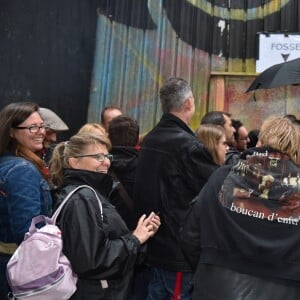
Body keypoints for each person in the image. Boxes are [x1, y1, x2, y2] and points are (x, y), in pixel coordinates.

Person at [180, 116, 300, 299]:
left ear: (261, 141)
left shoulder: (223, 177)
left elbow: (190, 235)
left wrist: (210, 266)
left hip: (217, 286)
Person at [133, 77, 218, 299]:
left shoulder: (151, 139)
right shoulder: (188, 145)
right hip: (178, 251)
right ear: (189, 103)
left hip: (154, 246)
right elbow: (214, 190)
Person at [49, 132, 160, 300]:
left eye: (107, 156)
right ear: (74, 162)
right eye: (97, 157)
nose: (106, 162)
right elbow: (91, 260)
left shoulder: (91, 193)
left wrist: (142, 234)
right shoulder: (83, 198)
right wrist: (136, 238)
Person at [0, 102, 52, 299]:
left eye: (42, 126)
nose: (41, 132)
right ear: (11, 132)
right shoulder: (22, 170)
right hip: (16, 266)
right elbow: (27, 233)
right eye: (32, 127)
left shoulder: (8, 164)